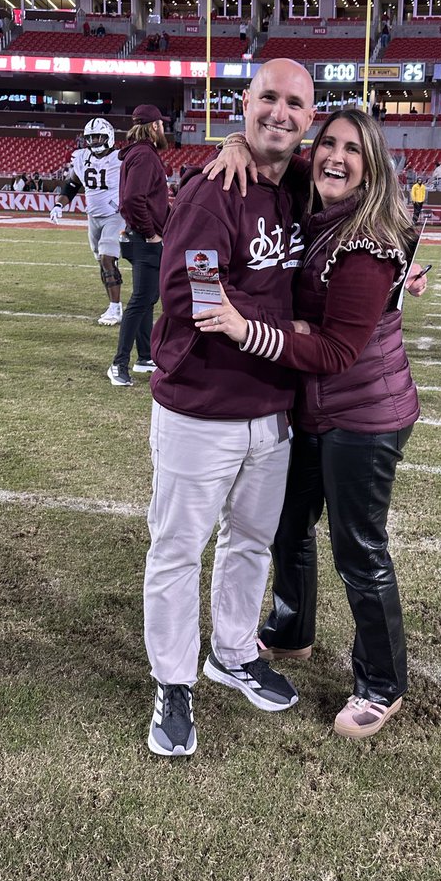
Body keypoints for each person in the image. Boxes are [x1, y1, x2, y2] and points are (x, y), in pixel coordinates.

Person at [196, 108, 422, 740]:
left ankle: (382, 683)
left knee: (359, 549)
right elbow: (273, 153)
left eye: (352, 150)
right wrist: (235, 141)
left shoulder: (368, 241)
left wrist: (249, 330)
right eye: (328, 144)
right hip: (313, 407)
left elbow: (336, 351)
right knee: (288, 525)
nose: (335, 157)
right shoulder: (317, 197)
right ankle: (291, 630)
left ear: (372, 167)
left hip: (364, 414)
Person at [141, 59, 317, 758]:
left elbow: (365, 188)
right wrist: (287, 328)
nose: (280, 112)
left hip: (271, 409)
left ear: (309, 118)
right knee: (178, 550)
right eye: (268, 98)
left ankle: (234, 652)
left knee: (249, 543)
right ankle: (173, 680)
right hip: (202, 407)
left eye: (294, 103)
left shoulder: (299, 183)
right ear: (245, 103)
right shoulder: (213, 190)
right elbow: (192, 295)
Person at [107, 105, 170, 386]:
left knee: (148, 297)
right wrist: (150, 233)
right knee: (141, 300)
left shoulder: (140, 153)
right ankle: (118, 364)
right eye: (162, 124)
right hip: (144, 239)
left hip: (139, 237)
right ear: (154, 126)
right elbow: (133, 199)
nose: (164, 129)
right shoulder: (144, 155)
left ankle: (144, 356)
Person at [50, 117, 124, 326]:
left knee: (107, 258)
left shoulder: (121, 158)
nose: (94, 141)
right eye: (91, 138)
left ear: (109, 136)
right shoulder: (82, 157)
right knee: (103, 262)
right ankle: (113, 305)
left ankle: (115, 308)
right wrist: (59, 205)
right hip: (93, 217)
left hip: (115, 215)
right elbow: (73, 184)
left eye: (98, 137)